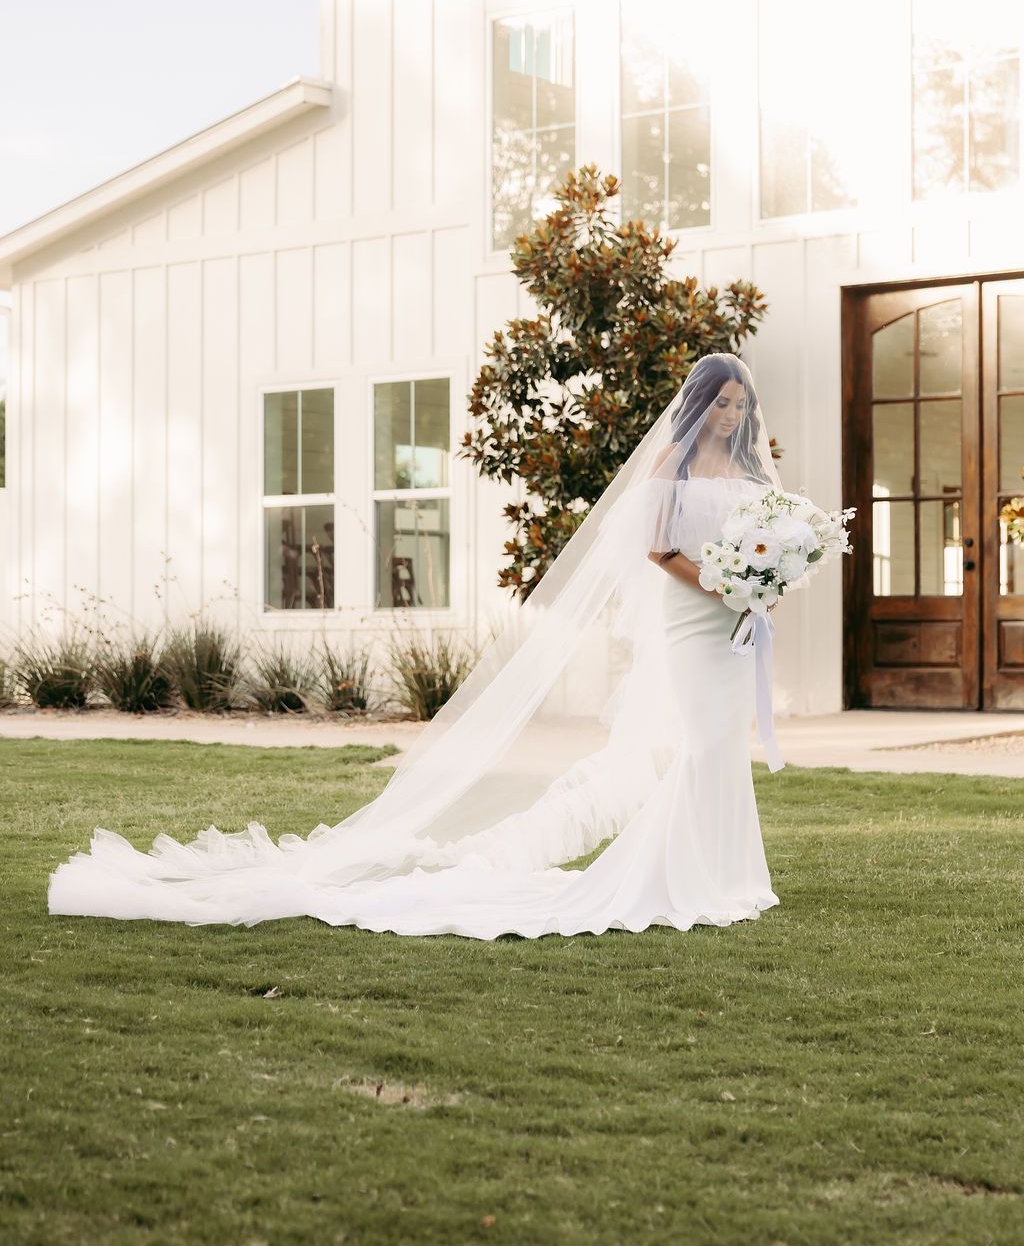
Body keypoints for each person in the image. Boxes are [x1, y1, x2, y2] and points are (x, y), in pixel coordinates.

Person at [48, 353, 784, 938]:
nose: (730, 413)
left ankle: (728, 872)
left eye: (739, 403)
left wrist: (765, 577)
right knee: (699, 744)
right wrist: (720, 584)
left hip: (733, 628)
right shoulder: (672, 466)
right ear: (698, 403)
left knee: (724, 745)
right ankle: (679, 874)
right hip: (693, 621)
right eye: (721, 401)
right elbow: (658, 551)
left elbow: (761, 540)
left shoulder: (749, 470)